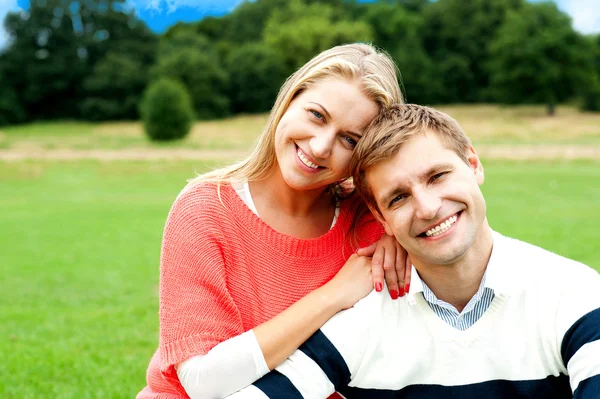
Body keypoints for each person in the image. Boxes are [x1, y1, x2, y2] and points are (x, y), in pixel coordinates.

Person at [227, 104, 600, 398]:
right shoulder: (364, 321)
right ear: (380, 217)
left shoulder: (571, 295)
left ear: (473, 164)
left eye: (437, 176)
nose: (426, 208)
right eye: (399, 197)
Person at [136, 43, 413, 399]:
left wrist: (404, 236)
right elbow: (203, 382)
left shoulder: (370, 223)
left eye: (349, 139)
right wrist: (333, 295)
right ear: (289, 101)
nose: (320, 146)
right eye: (317, 115)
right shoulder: (204, 209)